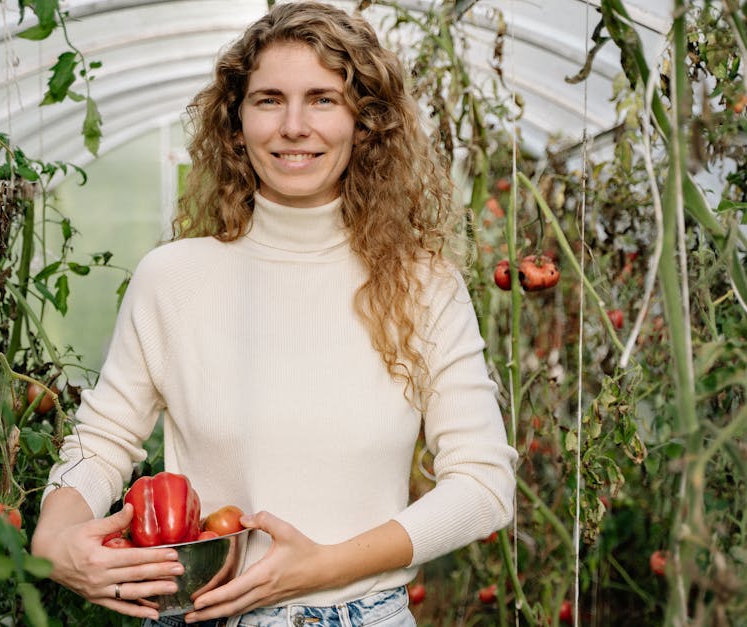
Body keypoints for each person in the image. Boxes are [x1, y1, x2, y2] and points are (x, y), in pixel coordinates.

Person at [29, 2, 517, 625]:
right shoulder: (173, 279)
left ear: (363, 123)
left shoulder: (425, 286)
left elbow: (482, 486)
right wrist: (55, 536)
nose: (293, 125)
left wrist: (327, 565)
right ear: (235, 126)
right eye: (267, 100)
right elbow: (101, 443)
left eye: (322, 99)